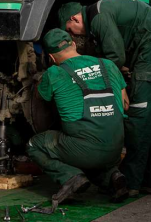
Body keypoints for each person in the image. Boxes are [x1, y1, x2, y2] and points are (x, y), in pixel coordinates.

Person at [58, 0, 151, 197]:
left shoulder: (98, 16)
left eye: (70, 29)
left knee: (140, 119)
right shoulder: (100, 12)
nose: (73, 35)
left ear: (75, 18)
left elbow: (115, 57)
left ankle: (131, 182)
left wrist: (119, 86)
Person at [27, 29, 129, 207]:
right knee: (90, 153)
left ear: (51, 57)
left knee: (34, 144)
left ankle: (70, 177)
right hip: (116, 146)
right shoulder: (108, 65)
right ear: (73, 44)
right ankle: (112, 176)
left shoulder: (54, 73)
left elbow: (43, 99)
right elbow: (125, 103)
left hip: (85, 149)